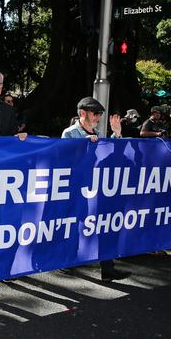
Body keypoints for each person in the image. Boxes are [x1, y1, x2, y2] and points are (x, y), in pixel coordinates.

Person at [61, 97, 130, 281]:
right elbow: (65, 160)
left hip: (98, 188)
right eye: (95, 113)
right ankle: (67, 259)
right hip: (77, 190)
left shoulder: (98, 133)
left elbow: (110, 155)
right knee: (73, 224)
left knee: (104, 224)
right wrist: (85, 145)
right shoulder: (70, 133)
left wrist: (116, 135)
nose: (99, 117)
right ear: (83, 113)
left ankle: (108, 268)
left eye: (100, 113)